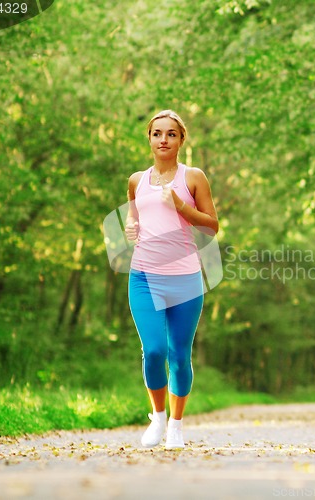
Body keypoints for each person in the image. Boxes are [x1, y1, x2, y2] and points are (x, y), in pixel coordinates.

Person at [124, 110, 219, 450]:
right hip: (144, 277)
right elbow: (134, 222)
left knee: (179, 356)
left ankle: (176, 427)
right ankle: (158, 417)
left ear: (181, 140)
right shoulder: (137, 180)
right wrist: (130, 229)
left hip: (185, 279)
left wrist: (179, 204)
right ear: (149, 139)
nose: (163, 139)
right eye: (157, 133)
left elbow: (211, 226)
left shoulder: (193, 177)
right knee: (153, 350)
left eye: (171, 134)